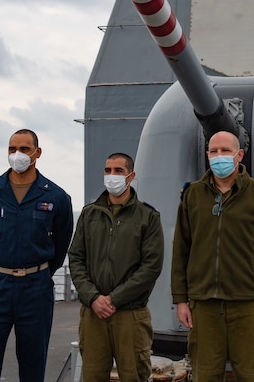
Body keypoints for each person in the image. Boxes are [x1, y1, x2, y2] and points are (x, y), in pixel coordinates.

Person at [171, 131, 254, 382]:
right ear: (207, 155)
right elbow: (181, 250)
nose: (219, 156)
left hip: (248, 307)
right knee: (205, 376)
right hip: (203, 307)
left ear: (239, 155)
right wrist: (180, 300)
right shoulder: (192, 195)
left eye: (225, 151)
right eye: (214, 151)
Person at [0, 129, 74, 382]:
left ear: (37, 153)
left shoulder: (56, 197)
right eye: (12, 149)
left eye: (24, 149)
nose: (17, 154)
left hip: (36, 289)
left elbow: (61, 245)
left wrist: (38, 272)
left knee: (33, 365)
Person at [68, 152, 164, 382]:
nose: (112, 176)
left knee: (134, 376)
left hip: (130, 315)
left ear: (130, 176)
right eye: (108, 170)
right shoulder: (90, 214)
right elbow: (76, 258)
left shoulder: (148, 217)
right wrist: (93, 297)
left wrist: (114, 299)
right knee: (91, 376)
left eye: (118, 171)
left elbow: (151, 267)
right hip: (93, 315)